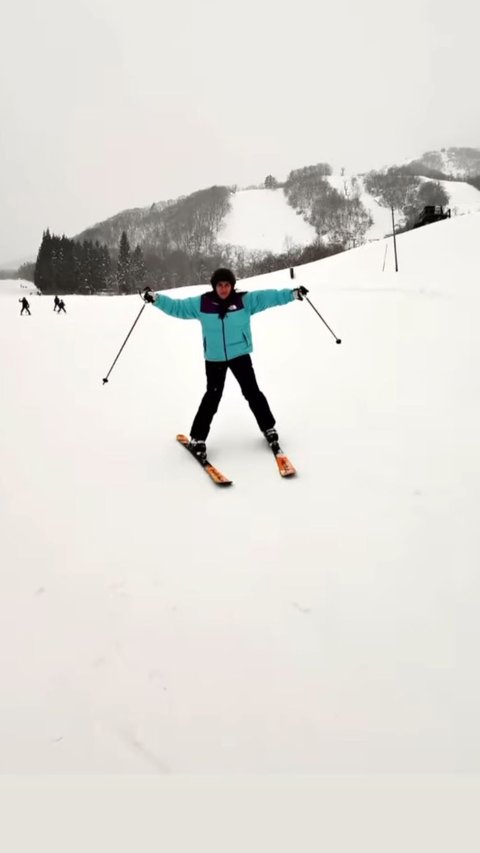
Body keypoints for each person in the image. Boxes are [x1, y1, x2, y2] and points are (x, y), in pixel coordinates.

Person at [143, 268, 308, 460]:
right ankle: (198, 438)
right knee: (212, 397)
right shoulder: (202, 303)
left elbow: (268, 298)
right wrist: (156, 299)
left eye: (227, 285)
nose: (223, 289)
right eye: (220, 285)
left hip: (240, 354)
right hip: (215, 358)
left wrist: (292, 294)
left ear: (232, 286)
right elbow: (178, 307)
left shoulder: (244, 301)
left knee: (252, 391)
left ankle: (268, 428)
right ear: (214, 286)